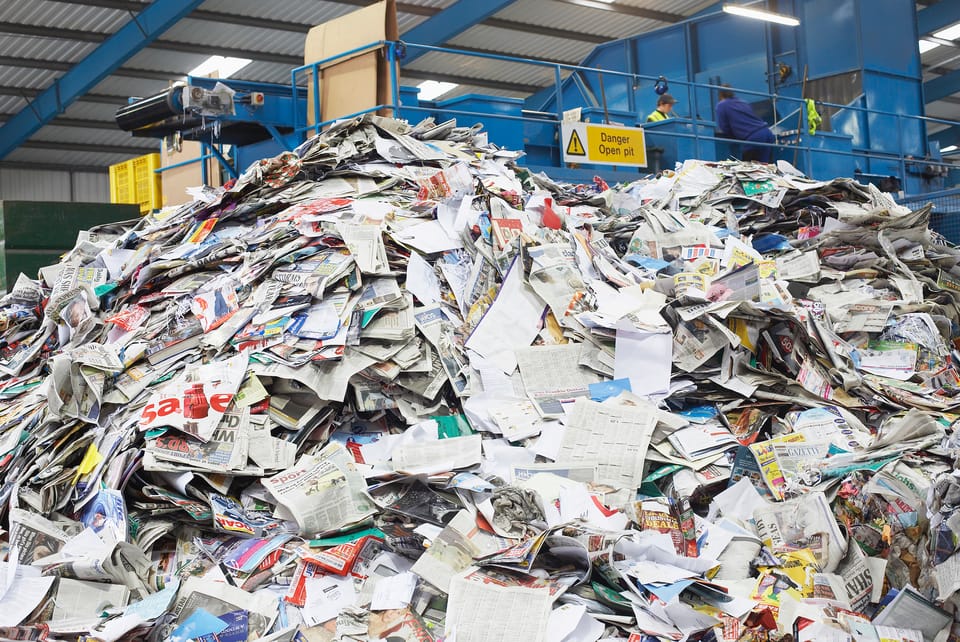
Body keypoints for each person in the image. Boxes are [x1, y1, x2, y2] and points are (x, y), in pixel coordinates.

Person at [715, 85, 776, 162]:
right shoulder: (743, 102)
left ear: (720, 94)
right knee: (765, 167)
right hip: (767, 133)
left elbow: (724, 127)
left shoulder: (722, 105)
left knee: (747, 168)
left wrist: (732, 137)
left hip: (754, 137)